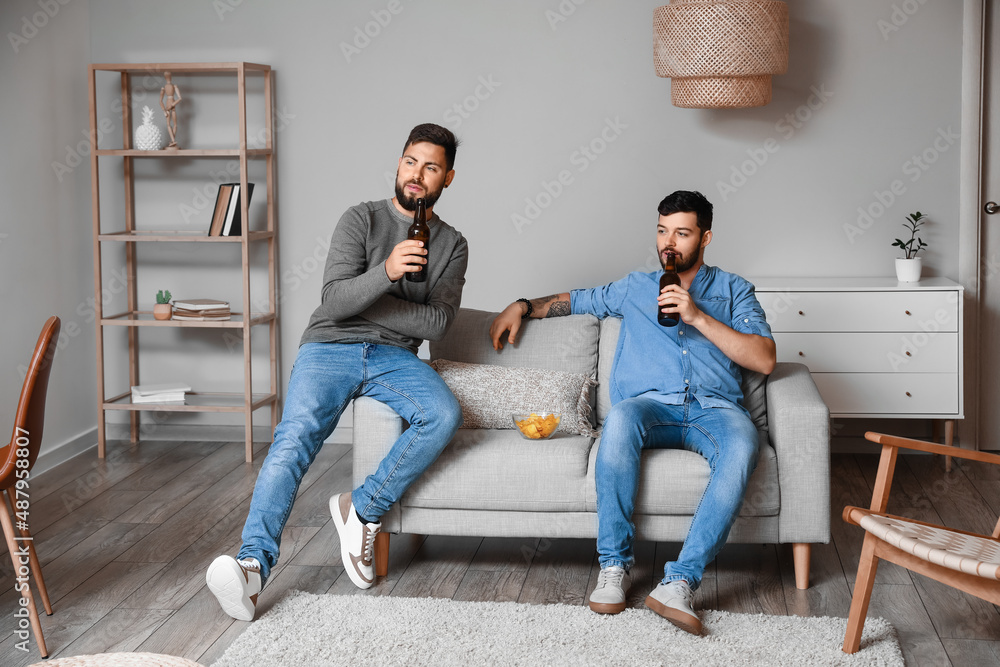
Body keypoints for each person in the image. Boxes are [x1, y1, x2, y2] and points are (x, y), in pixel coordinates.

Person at [206, 123, 468, 621]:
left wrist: (363, 299)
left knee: (442, 412)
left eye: (431, 167)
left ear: (447, 178)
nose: (417, 174)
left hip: (394, 357)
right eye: (411, 161)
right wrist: (388, 273)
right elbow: (333, 302)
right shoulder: (361, 220)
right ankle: (251, 568)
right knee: (294, 439)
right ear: (398, 163)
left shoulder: (452, 244)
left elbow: (438, 323)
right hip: (329, 346)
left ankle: (362, 508)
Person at [489, 190, 775, 635]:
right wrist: (523, 306)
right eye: (663, 231)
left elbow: (764, 360)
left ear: (706, 237)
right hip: (650, 407)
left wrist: (698, 317)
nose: (669, 242)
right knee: (619, 419)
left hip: (715, 410)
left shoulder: (735, 289)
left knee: (742, 444)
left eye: (682, 233)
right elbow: (576, 300)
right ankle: (613, 569)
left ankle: (678, 583)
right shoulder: (634, 288)